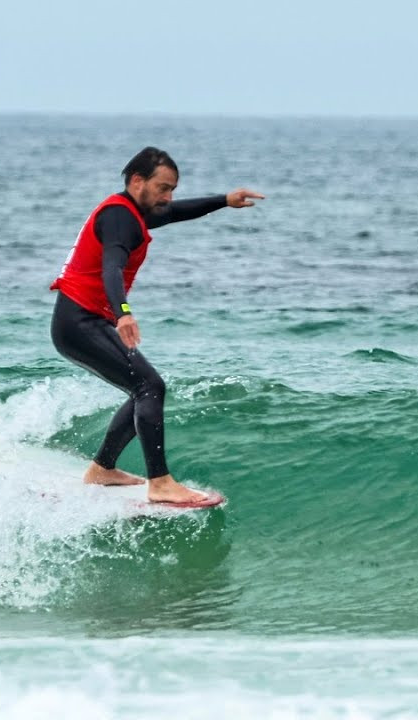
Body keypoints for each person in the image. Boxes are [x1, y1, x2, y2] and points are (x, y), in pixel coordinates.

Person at [49, 147, 264, 504]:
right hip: (78, 322)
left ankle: (103, 469)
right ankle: (160, 483)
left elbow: (175, 212)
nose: (168, 197)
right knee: (149, 386)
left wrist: (224, 200)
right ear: (137, 181)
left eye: (172, 189)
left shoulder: (130, 211)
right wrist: (123, 313)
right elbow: (112, 268)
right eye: (163, 188)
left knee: (144, 388)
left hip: (82, 321)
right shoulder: (120, 218)